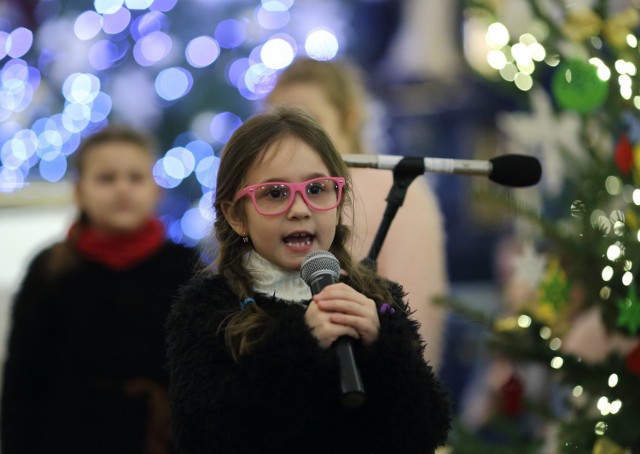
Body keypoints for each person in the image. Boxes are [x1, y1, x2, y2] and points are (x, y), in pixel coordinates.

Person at [166, 107, 451, 453]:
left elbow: (424, 431)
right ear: (236, 215)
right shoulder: (209, 306)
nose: (300, 208)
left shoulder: (376, 298)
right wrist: (301, 343)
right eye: (274, 193)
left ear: (338, 200)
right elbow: (204, 435)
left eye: (317, 189)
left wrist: (382, 345)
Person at [1, 126, 199, 454]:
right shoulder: (51, 268)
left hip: (160, 438)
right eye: (106, 178)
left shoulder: (184, 266)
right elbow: (22, 377)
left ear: (156, 190)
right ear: (79, 191)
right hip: (66, 437)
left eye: (135, 178)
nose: (122, 189)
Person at [265, 57, 448, 370]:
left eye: (309, 123)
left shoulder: (398, 192)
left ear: (349, 118)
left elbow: (418, 318)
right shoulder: (265, 197)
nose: (292, 139)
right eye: (280, 123)